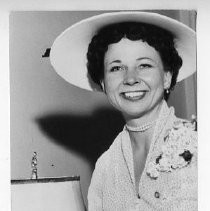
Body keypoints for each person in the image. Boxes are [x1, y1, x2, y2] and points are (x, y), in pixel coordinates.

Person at [50, 11, 197, 211]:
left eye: (144, 65)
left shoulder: (199, 146)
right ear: (103, 83)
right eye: (116, 68)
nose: (130, 78)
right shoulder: (105, 168)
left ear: (167, 77)